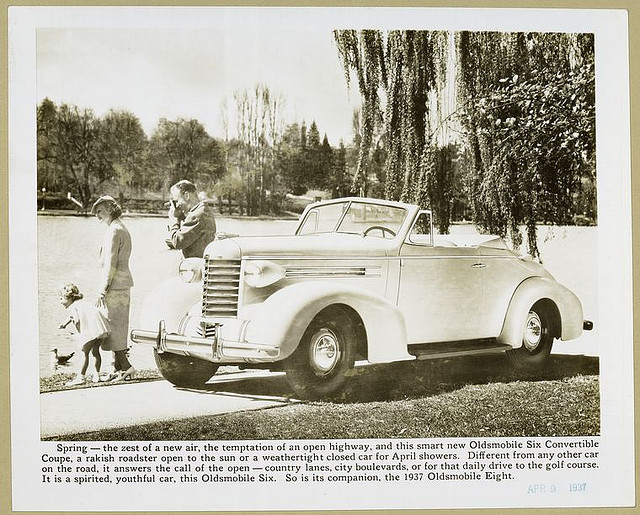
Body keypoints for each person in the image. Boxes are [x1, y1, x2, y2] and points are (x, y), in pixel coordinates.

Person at [91, 195, 135, 381]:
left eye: (99, 211)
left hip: (115, 286)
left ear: (110, 209)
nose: (97, 216)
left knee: (112, 327)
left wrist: (103, 289)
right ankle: (118, 368)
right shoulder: (120, 227)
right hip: (122, 285)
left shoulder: (114, 230)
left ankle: (126, 367)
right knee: (117, 326)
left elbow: (111, 263)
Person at [58, 283, 110, 386]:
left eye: (61, 299)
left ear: (69, 299)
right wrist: (65, 323)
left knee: (84, 352)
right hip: (100, 327)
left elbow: (76, 320)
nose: (60, 302)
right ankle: (97, 375)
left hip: (91, 329)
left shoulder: (72, 307)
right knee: (95, 351)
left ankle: (81, 377)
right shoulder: (80, 303)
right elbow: (72, 317)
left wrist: (81, 335)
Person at [167, 180, 217, 258]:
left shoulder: (197, 215)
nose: (177, 205)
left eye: (177, 201)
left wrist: (174, 219)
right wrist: (181, 217)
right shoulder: (203, 210)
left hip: (195, 265)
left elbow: (177, 242)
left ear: (187, 195)